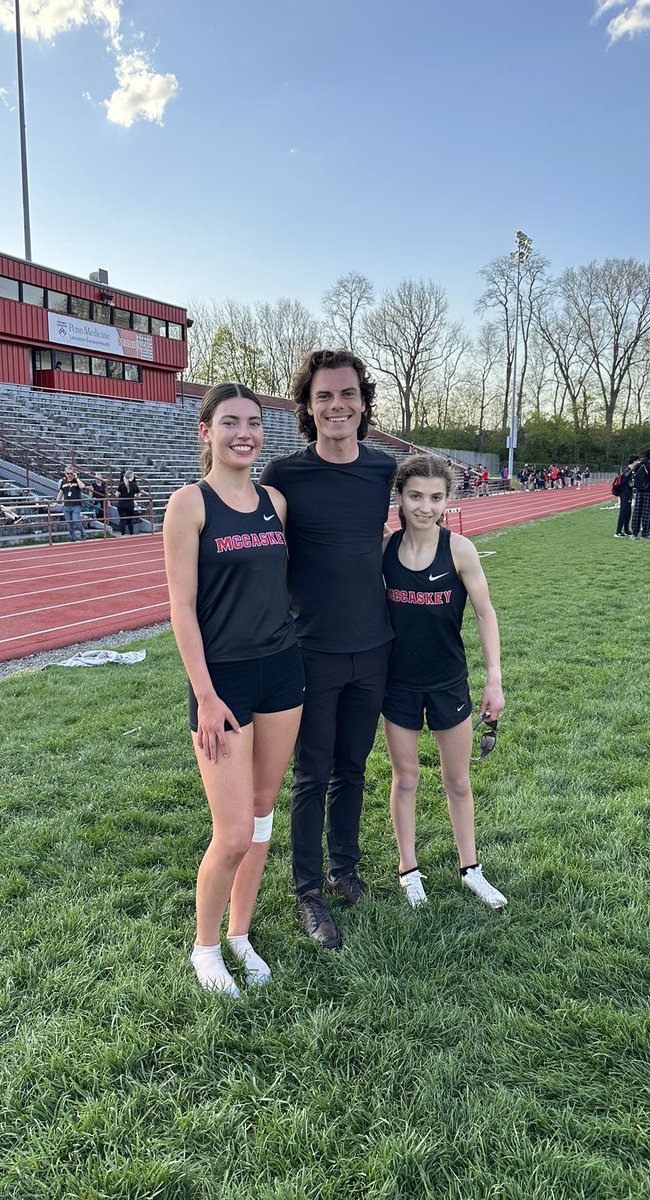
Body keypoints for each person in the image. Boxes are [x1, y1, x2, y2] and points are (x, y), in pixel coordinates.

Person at [163, 382, 304, 997]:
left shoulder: (275, 500)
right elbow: (181, 608)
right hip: (222, 682)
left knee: (263, 810)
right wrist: (206, 693)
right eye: (230, 423)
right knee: (233, 832)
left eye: (253, 422)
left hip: (283, 669)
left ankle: (241, 933)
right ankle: (205, 948)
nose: (244, 432)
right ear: (206, 432)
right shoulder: (188, 504)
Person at [259, 348, 396, 950]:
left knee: (354, 768)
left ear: (363, 402)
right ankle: (308, 891)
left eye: (347, 395)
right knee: (311, 775)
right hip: (310, 647)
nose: (337, 406)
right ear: (308, 408)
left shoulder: (382, 469)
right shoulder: (284, 477)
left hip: (375, 644)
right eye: (324, 397)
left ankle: (345, 869)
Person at [381, 456, 507, 911]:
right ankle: (408, 870)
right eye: (415, 496)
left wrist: (494, 679)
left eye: (436, 497)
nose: (425, 507)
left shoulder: (460, 550)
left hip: (448, 682)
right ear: (399, 497)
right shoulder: (385, 551)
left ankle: (471, 868)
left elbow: (485, 613)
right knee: (407, 777)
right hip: (398, 685)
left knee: (458, 780)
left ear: (448, 500)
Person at [629, 448, 650, 540]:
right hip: (648, 490)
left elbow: (633, 470)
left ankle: (634, 533)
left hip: (639, 490)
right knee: (646, 512)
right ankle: (645, 533)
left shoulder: (640, 463)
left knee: (637, 512)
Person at [56, 465, 86, 541]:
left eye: (71, 473)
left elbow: (82, 486)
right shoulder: (63, 482)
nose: (69, 475)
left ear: (74, 473)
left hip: (76, 505)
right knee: (69, 524)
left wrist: (77, 477)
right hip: (66, 505)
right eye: (67, 473)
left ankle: (83, 533)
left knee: (76, 520)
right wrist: (57, 502)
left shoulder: (76, 481)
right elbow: (61, 492)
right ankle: (73, 538)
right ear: (65, 474)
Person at [614, 456, 638, 537]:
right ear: (634, 461)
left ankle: (626, 530)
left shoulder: (630, 471)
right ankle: (618, 531)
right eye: (637, 461)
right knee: (623, 512)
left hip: (628, 493)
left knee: (628, 512)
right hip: (624, 494)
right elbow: (625, 482)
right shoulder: (627, 471)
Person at [116, 469, 141, 535]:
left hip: (122, 504)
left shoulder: (121, 484)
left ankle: (123, 535)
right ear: (131, 477)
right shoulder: (134, 485)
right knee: (130, 520)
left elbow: (117, 494)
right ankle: (131, 534)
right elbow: (139, 495)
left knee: (122, 520)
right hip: (130, 504)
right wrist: (135, 496)